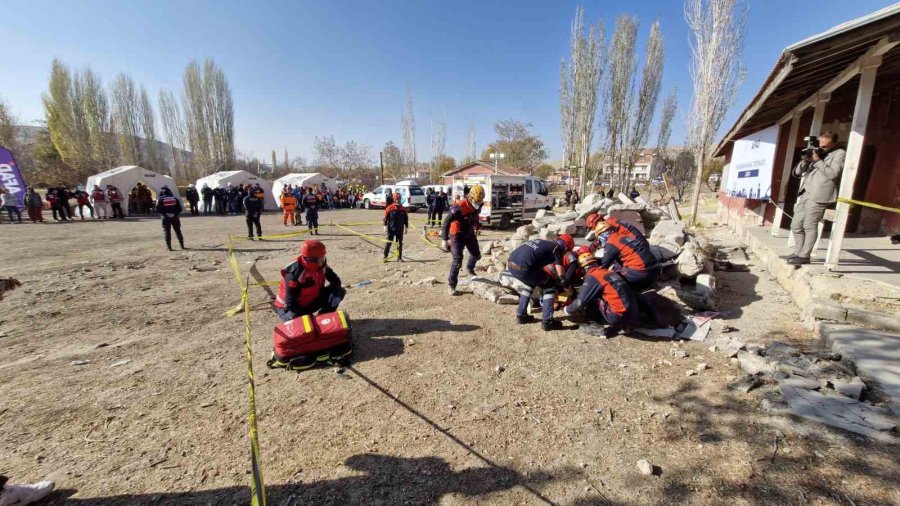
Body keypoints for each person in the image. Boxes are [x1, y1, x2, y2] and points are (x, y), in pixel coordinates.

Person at [784, 131, 846, 265]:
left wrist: (817, 160)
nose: (821, 148)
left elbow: (833, 174)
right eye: (820, 144)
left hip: (819, 195)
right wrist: (806, 159)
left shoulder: (839, 153)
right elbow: (797, 172)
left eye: (825, 146)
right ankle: (798, 252)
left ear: (833, 144)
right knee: (795, 225)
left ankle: (805, 256)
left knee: (809, 226)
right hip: (806, 193)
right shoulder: (816, 153)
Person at [563, 246, 638, 337]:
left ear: (582, 268)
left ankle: (595, 325)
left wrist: (567, 310)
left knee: (590, 297)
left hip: (618, 316)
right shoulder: (607, 272)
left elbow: (579, 302)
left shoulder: (592, 276)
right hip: (633, 312)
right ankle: (622, 323)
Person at [506, 235, 575, 331]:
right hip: (525, 269)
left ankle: (521, 315)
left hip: (511, 265)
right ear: (566, 247)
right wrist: (567, 286)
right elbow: (561, 276)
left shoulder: (541, 242)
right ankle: (548, 322)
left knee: (530, 283)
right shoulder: (556, 248)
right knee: (550, 286)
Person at [273, 240, 346, 321]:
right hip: (289, 309)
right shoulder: (294, 273)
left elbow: (336, 281)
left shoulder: (321, 265)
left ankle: (322, 318)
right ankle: (308, 320)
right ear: (311, 259)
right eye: (321, 257)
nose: (323, 259)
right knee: (303, 325)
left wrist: (333, 296)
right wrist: (307, 317)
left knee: (339, 292)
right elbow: (291, 304)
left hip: (310, 301)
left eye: (323, 256)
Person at [440, 184, 485, 296]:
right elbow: (446, 222)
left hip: (469, 231)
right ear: (470, 197)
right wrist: (444, 239)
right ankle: (451, 285)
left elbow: (475, 216)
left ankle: (469, 269)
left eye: (480, 201)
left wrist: (477, 226)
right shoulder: (459, 207)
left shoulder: (479, 205)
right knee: (458, 259)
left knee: (476, 255)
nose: (479, 203)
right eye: (477, 200)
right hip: (457, 233)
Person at [593, 219, 657, 291]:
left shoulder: (611, 243)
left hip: (641, 273)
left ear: (602, 235)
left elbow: (603, 266)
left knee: (613, 277)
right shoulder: (623, 236)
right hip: (654, 269)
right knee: (618, 266)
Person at [155, 185, 185, 251]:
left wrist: (166, 214)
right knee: (178, 231)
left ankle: (169, 247)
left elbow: (157, 209)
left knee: (167, 231)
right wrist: (174, 214)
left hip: (165, 218)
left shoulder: (160, 199)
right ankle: (182, 245)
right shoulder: (174, 198)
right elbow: (179, 208)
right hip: (175, 217)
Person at [383, 192, 409, 262]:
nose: (399, 199)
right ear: (394, 199)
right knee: (388, 243)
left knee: (399, 244)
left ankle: (399, 257)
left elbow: (406, 218)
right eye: (397, 198)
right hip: (391, 229)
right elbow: (385, 217)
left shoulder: (403, 209)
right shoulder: (389, 208)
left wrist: (406, 227)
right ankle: (385, 257)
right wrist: (385, 225)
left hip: (400, 229)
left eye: (400, 198)